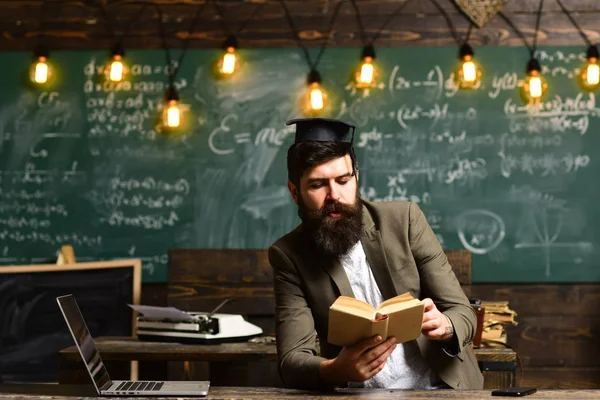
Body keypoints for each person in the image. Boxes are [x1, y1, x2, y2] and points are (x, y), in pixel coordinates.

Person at [268, 117, 484, 390]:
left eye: (343, 180)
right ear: (295, 192)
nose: (334, 195)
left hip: (443, 389)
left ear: (356, 178)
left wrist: (446, 326)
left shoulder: (405, 220)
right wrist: (334, 369)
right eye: (317, 185)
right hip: (360, 395)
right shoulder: (288, 255)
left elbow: (463, 312)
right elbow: (291, 361)